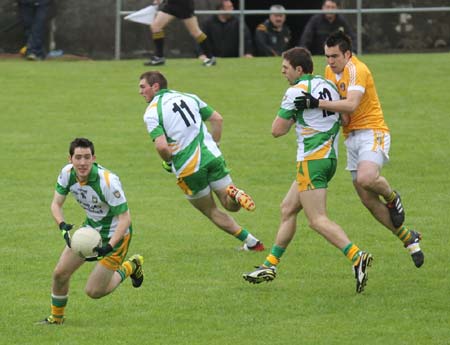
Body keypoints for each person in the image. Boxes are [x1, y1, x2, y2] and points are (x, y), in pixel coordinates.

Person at [243, 47, 372, 293]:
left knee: (317, 220)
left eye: (285, 68)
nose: (283, 73)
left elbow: (277, 130)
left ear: (298, 69)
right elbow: (344, 118)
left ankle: (357, 256)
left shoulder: (295, 92)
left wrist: (294, 115)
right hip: (329, 158)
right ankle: (270, 265)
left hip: (311, 160)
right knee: (287, 208)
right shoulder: (328, 85)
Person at [294, 31, 424, 268]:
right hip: (350, 138)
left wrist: (317, 103)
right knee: (367, 200)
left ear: (347, 54)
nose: (330, 62)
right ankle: (408, 238)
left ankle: (392, 196)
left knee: (366, 178)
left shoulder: (357, 69)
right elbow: (342, 114)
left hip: (372, 132)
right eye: (327, 57)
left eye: (335, 56)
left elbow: (351, 104)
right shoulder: (329, 72)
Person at [139, 71, 264, 252]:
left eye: (143, 87)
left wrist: (168, 161)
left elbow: (161, 147)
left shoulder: (151, 112)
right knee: (230, 204)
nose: (140, 92)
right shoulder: (189, 97)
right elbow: (217, 119)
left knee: (211, 211)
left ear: (155, 86)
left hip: (188, 167)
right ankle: (237, 194)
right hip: (212, 156)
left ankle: (252, 242)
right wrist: (216, 145)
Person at [39, 138, 144, 325]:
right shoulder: (66, 174)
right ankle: (56, 319)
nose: (82, 163)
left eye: (87, 157)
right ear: (70, 159)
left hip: (116, 237)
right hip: (90, 232)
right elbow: (56, 204)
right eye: (78, 157)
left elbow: (125, 219)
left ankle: (131, 266)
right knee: (60, 274)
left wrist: (109, 246)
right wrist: (62, 225)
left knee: (94, 291)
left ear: (93, 158)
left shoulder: (108, 182)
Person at [144, 0, 216, 66]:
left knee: (195, 32)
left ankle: (210, 57)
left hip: (183, 5)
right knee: (156, 27)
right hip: (172, 4)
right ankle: (159, 57)